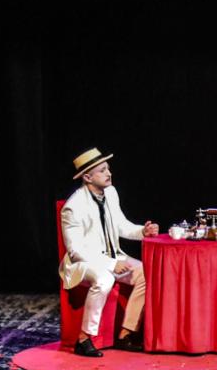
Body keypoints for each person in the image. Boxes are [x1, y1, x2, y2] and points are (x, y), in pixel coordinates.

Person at [59, 148, 157, 356]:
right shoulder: (73, 207)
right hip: (82, 264)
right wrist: (111, 264)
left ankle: (126, 333)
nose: (108, 173)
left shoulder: (111, 193)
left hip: (113, 256)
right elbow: (76, 251)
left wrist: (143, 231)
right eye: (102, 170)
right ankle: (84, 339)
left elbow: (121, 225)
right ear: (87, 177)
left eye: (108, 169)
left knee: (146, 273)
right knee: (104, 279)